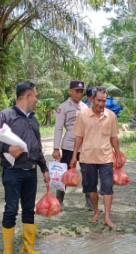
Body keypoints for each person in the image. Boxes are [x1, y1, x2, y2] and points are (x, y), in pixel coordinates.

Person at [0, 81, 51, 254]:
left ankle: (28, 246)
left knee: (29, 210)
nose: (37, 99)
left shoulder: (33, 120)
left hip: (31, 172)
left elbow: (36, 147)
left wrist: (44, 168)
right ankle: (7, 251)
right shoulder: (5, 116)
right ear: (27, 96)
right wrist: (7, 148)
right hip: (13, 171)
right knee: (11, 209)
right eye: (35, 95)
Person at [70, 87, 124, 229]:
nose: (101, 103)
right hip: (87, 158)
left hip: (106, 158)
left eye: (104, 101)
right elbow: (79, 137)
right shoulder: (83, 115)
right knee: (91, 188)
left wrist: (118, 155)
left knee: (108, 188)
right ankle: (96, 211)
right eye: (99, 100)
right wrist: (74, 156)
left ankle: (107, 216)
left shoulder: (111, 116)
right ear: (92, 99)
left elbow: (114, 137)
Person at [52, 80, 92, 210]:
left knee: (87, 172)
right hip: (69, 145)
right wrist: (56, 148)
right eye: (77, 91)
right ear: (70, 91)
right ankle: (59, 200)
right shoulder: (63, 107)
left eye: (81, 91)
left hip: (85, 145)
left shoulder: (85, 108)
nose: (79, 94)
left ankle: (89, 201)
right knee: (65, 172)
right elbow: (58, 128)